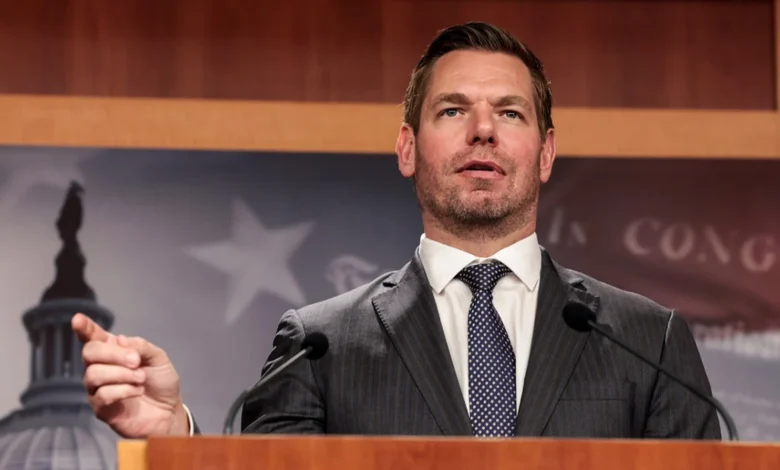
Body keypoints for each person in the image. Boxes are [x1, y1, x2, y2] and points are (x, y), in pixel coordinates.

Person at [72, 21, 721, 440]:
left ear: (546, 153)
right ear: (407, 149)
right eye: (453, 110)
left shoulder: (648, 341)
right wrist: (175, 442)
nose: (483, 131)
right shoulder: (319, 345)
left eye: (509, 112)